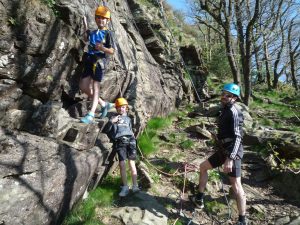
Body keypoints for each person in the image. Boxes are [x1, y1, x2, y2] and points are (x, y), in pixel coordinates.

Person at [191, 83, 247, 225]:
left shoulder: (234, 112)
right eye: (223, 93)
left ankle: (242, 220)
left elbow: (238, 137)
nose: (224, 96)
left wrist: (230, 159)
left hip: (233, 152)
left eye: (228, 95)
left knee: (236, 184)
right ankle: (199, 199)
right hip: (223, 150)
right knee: (203, 167)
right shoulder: (224, 109)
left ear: (234, 98)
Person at [80, 5, 115, 124]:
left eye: (103, 18)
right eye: (99, 17)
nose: (101, 20)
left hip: (99, 62)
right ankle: (104, 104)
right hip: (89, 59)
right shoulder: (94, 32)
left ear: (108, 20)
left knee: (96, 88)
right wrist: (85, 25)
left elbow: (112, 51)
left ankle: (91, 114)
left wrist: (102, 48)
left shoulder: (108, 34)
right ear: (96, 19)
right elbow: (86, 38)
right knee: (84, 87)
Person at [104, 97, 140, 197]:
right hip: (120, 142)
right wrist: (112, 122)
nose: (121, 109)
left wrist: (133, 136)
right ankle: (125, 187)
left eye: (123, 107)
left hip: (131, 141)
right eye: (119, 107)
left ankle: (135, 185)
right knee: (122, 165)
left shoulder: (128, 119)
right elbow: (106, 130)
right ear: (116, 108)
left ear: (126, 108)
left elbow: (130, 129)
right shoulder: (113, 118)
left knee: (132, 164)